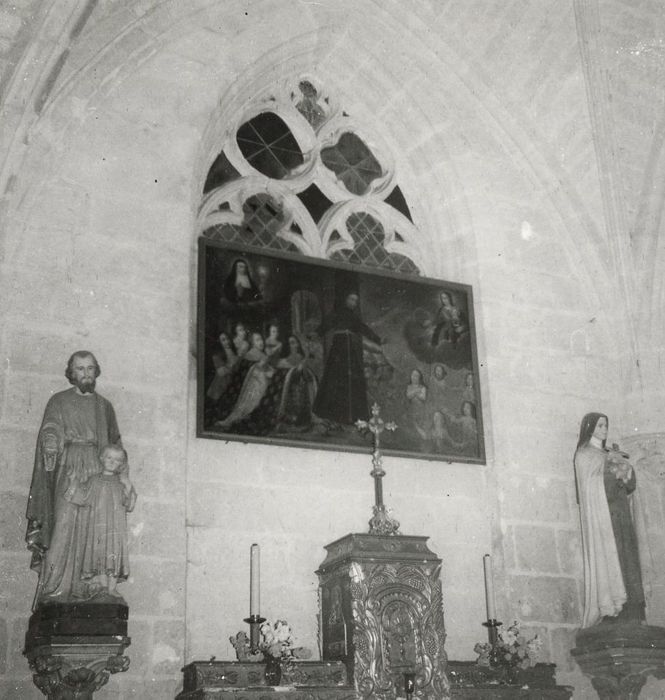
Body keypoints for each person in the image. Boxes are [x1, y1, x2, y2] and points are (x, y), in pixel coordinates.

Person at [25, 351, 123, 608]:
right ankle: (54, 590)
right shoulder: (58, 401)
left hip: (99, 470)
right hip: (69, 466)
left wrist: (123, 478)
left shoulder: (105, 406)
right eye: (80, 369)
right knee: (64, 526)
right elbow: (51, 427)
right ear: (71, 373)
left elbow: (116, 444)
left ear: (96, 371)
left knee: (96, 531)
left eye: (90, 368)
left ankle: (90, 588)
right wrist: (51, 440)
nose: (86, 373)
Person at [574, 412, 647, 627]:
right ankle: (613, 607)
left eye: (606, 425)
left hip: (621, 514)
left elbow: (630, 485)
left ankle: (633, 607)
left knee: (628, 557)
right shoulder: (584, 455)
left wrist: (626, 471)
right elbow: (589, 486)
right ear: (590, 428)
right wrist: (612, 472)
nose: (604, 430)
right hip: (604, 519)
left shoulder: (610, 453)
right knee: (611, 557)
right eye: (600, 425)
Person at [72, 445, 136, 600]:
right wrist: (72, 480)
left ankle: (112, 588)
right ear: (102, 458)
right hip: (98, 525)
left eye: (117, 460)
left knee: (114, 552)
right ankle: (102, 586)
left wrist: (127, 484)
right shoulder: (94, 480)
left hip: (115, 527)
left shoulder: (120, 483)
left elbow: (130, 504)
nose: (112, 462)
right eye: (109, 458)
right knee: (99, 551)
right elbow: (82, 496)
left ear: (121, 464)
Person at [313, 289, 383, 425]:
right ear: (345, 299)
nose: (354, 303)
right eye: (351, 299)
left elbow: (363, 328)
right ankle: (333, 415)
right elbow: (327, 324)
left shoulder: (354, 317)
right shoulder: (337, 313)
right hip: (339, 350)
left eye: (356, 301)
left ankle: (352, 416)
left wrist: (377, 339)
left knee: (353, 379)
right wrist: (317, 333)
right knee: (335, 378)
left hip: (350, 350)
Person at [206, 332, 238, 401]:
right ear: (219, 342)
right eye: (223, 340)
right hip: (220, 385)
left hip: (232, 383)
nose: (227, 341)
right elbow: (221, 372)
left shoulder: (234, 352)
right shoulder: (217, 355)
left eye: (228, 339)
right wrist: (231, 368)